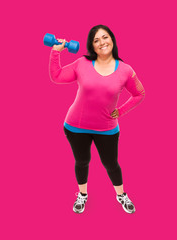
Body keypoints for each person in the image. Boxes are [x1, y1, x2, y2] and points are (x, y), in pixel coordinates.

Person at [49, 25, 145, 214]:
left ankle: (121, 195)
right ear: (92, 46)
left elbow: (139, 94)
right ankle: (82, 195)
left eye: (105, 37)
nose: (102, 42)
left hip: (107, 128)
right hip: (75, 126)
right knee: (82, 161)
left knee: (111, 164)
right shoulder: (82, 63)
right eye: (96, 40)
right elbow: (57, 76)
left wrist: (121, 111)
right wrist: (55, 52)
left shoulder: (125, 70)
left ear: (112, 40)